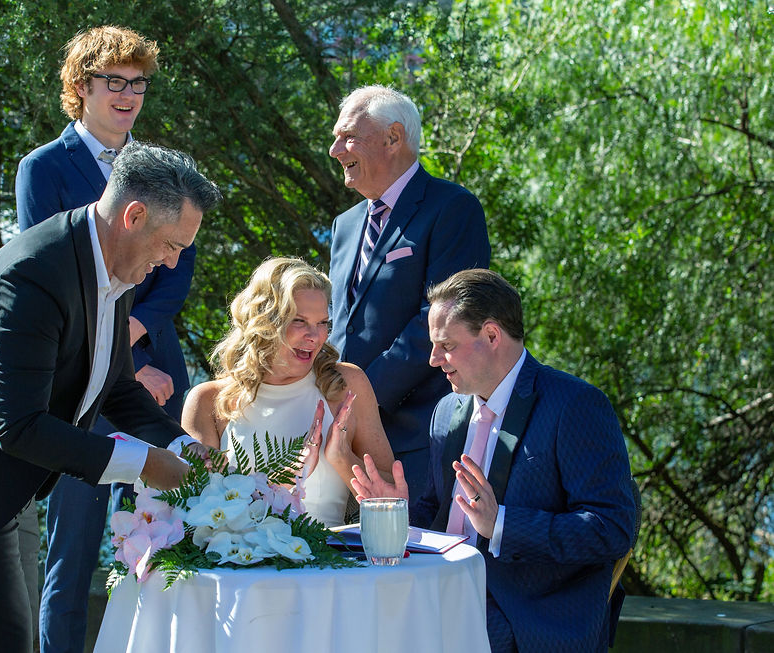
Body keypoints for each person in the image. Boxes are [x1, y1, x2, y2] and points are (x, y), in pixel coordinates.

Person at [0, 142, 222, 653]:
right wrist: (145, 464)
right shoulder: (34, 273)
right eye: (171, 245)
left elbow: (119, 387)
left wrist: (180, 446)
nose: (171, 263)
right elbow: (18, 425)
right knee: (0, 640)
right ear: (134, 216)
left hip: (4, 476)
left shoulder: (119, 265)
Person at [14, 26, 197, 653]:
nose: (127, 95)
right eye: (112, 81)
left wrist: (136, 346)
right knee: (71, 557)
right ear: (80, 87)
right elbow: (58, 277)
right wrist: (119, 361)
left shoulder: (161, 169)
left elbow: (178, 270)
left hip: (157, 377)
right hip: (81, 386)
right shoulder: (41, 169)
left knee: (168, 541)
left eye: (137, 83)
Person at [351, 269, 636, 653]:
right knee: (348, 618)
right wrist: (394, 512)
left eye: (446, 345)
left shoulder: (574, 406)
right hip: (438, 591)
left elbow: (612, 527)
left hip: (521, 613)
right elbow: (438, 513)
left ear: (491, 335)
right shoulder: (446, 411)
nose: (435, 360)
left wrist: (500, 523)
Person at [327, 85, 491, 501]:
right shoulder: (344, 225)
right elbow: (338, 324)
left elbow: (439, 323)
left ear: (393, 138)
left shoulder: (452, 208)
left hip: (416, 438)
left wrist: (362, 400)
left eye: (347, 137)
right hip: (339, 436)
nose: (334, 150)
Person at [181, 257, 394, 527]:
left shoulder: (346, 385)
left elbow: (393, 500)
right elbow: (192, 511)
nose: (315, 336)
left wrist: (342, 459)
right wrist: (281, 481)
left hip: (334, 565)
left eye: (323, 323)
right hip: (239, 565)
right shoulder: (209, 401)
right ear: (265, 321)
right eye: (299, 321)